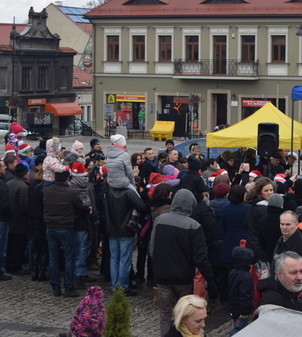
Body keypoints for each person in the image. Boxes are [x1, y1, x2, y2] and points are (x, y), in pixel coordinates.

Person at [150, 189, 216, 337]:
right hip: (183, 278)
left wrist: (158, 266)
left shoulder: (160, 220)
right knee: (185, 315)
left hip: (162, 276)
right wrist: (210, 280)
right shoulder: (194, 226)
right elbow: (200, 257)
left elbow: (152, 248)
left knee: (164, 313)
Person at [105, 133, 145, 295]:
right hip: (125, 230)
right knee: (124, 259)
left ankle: (115, 285)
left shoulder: (109, 191)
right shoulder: (128, 192)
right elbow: (141, 207)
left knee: (114, 258)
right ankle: (123, 287)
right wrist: (134, 184)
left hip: (112, 229)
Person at [44, 168, 89, 297]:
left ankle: (55, 286)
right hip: (65, 226)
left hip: (50, 226)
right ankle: (69, 287)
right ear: (66, 179)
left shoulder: (46, 190)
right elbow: (80, 206)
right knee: (69, 257)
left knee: (53, 257)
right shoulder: (70, 192)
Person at [6, 163, 30, 275]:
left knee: (10, 244)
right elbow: (24, 205)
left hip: (10, 219)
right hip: (19, 220)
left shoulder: (8, 183)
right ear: (24, 174)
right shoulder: (23, 187)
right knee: (18, 245)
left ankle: (8, 264)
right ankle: (15, 266)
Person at [228, 246, 254, 336]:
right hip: (241, 310)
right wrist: (245, 311)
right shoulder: (246, 277)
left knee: (238, 327)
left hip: (234, 307)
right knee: (240, 329)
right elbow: (245, 295)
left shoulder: (233, 272)